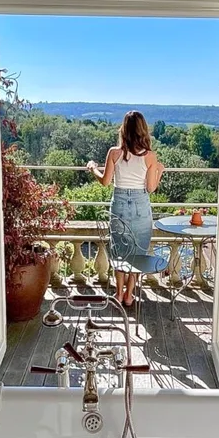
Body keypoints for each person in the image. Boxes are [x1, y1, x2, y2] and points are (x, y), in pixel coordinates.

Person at [86, 111, 165, 307]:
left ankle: (119, 293)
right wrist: (159, 171)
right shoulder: (150, 157)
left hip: (119, 204)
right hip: (141, 206)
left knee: (120, 251)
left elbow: (105, 182)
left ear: (124, 129)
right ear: (142, 130)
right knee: (138, 253)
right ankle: (130, 295)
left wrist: (92, 168)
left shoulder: (114, 152)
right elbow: (151, 188)